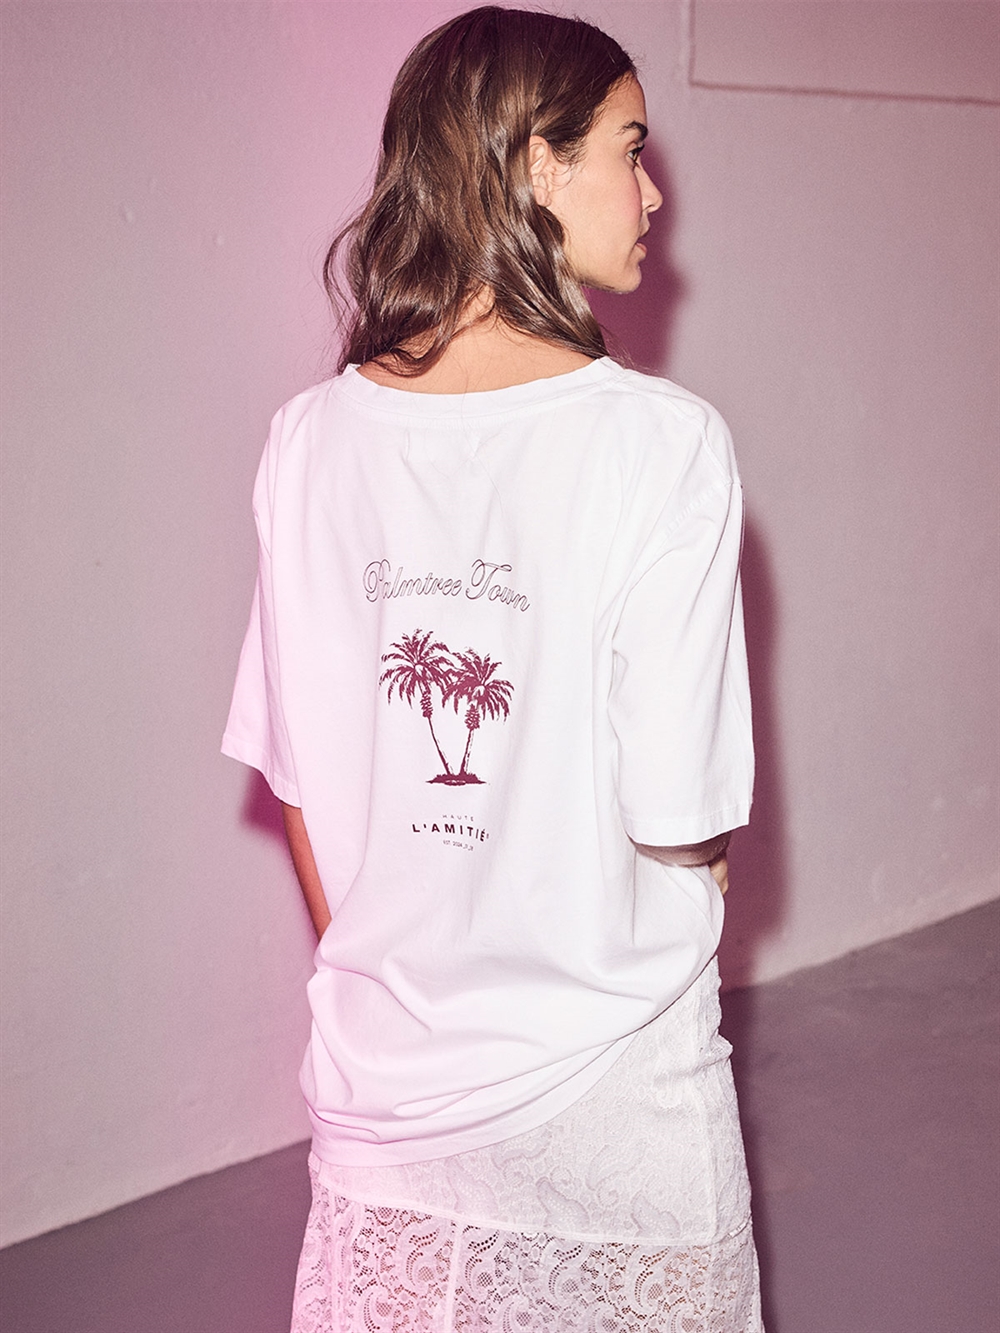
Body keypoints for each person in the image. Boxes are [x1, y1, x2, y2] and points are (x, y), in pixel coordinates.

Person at [223, 6, 762, 1329]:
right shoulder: (662, 446)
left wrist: (413, 985)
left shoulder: (306, 441)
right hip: (615, 1081)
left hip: (386, 1093)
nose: (653, 193)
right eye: (629, 148)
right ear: (534, 164)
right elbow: (679, 816)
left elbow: (303, 787)